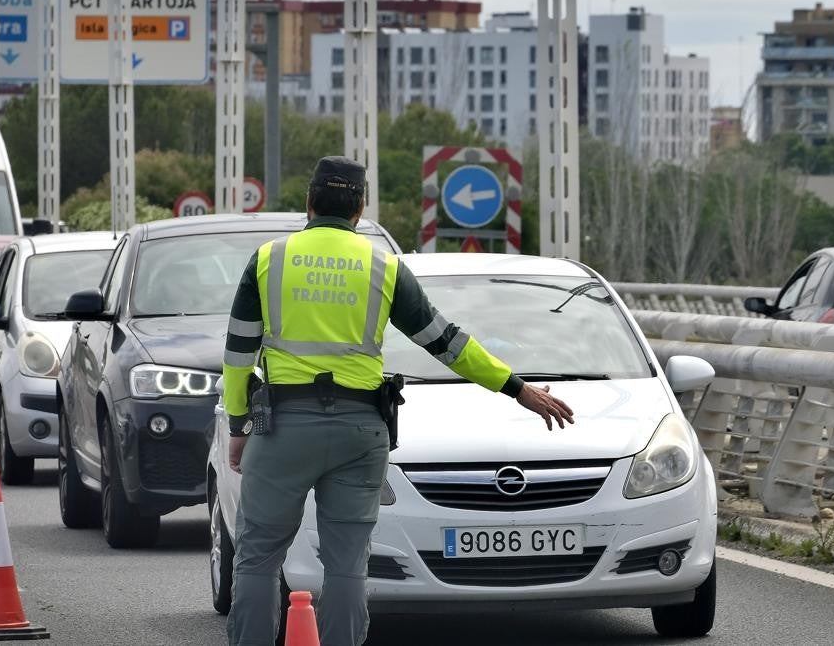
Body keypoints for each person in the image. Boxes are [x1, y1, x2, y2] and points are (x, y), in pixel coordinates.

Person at [221, 156, 575, 646]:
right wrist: (517, 388)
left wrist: (239, 425)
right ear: (360, 208)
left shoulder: (268, 260)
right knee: (346, 565)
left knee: (258, 557)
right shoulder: (384, 267)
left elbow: (238, 354)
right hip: (359, 432)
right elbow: (447, 343)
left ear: (309, 202)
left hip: (283, 428)